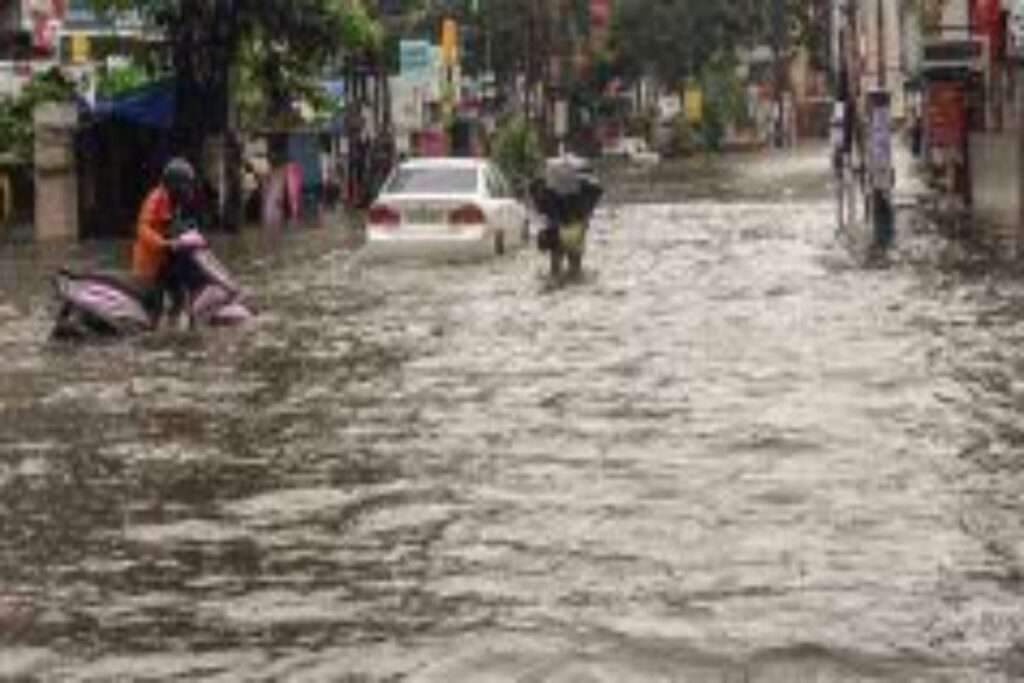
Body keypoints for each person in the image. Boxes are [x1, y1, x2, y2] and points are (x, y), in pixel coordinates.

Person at [131, 157, 199, 326]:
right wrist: (163, 243)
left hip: (166, 261)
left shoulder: (173, 202)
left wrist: (188, 232)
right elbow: (143, 228)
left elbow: (171, 226)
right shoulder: (155, 198)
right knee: (155, 305)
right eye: (187, 185)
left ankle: (172, 330)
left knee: (180, 297)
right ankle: (153, 332)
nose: (190, 190)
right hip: (150, 265)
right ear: (176, 185)